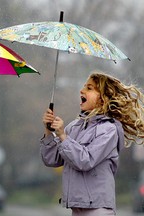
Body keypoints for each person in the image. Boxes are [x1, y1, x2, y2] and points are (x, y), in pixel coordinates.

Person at [39, 71, 144, 216]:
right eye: (83, 87)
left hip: (98, 209)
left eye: (89, 88)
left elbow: (85, 160)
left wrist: (63, 135)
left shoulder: (109, 129)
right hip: (77, 208)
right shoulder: (74, 126)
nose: (82, 91)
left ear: (103, 98)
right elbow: (51, 159)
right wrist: (48, 131)